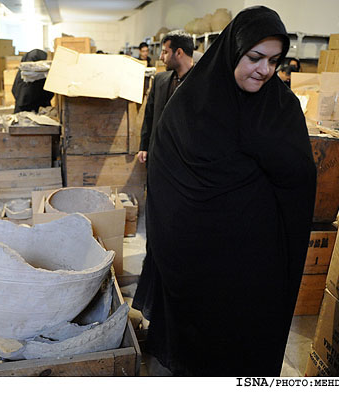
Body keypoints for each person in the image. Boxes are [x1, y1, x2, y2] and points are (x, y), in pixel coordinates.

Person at [132, 6, 317, 376]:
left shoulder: (282, 107)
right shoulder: (189, 106)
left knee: (245, 341)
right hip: (197, 257)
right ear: (233, 50)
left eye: (274, 61)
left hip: (255, 261)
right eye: (254, 58)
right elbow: (166, 176)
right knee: (202, 344)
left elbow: (299, 180)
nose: (264, 70)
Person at [137, 30, 194, 164]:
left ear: (179, 53)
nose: (161, 57)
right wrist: (144, 146)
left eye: (165, 52)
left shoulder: (202, 83)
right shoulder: (159, 80)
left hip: (186, 161)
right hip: (159, 157)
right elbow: (149, 116)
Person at [12, 49, 54, 113]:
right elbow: (48, 94)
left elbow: (14, 90)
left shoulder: (23, 72)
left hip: (20, 110)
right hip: (36, 112)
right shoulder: (40, 75)